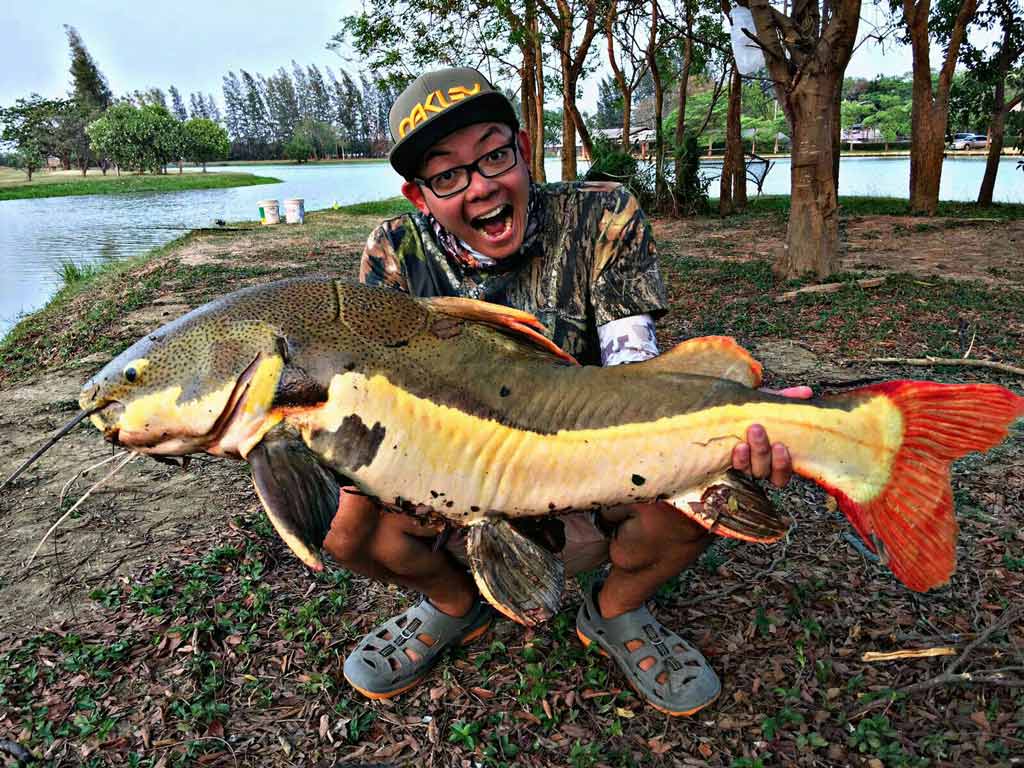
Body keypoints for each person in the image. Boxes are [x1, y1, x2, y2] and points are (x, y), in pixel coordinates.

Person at [322, 67, 807, 716]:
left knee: (703, 488)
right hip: (461, 479)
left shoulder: (602, 215)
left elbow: (633, 369)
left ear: (524, 149)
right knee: (342, 526)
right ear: (420, 195)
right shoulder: (393, 251)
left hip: (585, 467)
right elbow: (385, 399)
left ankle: (615, 611)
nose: (482, 186)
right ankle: (451, 602)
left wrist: (728, 428)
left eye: (494, 156)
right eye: (448, 175)